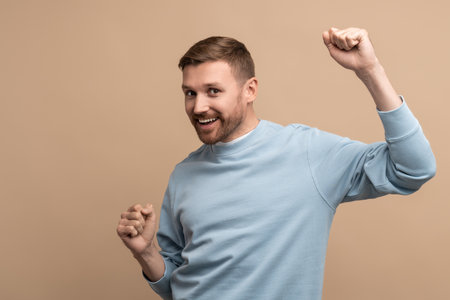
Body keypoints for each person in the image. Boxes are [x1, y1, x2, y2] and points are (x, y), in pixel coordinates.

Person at [116, 27, 436, 300]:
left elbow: (412, 169)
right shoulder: (183, 174)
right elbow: (176, 286)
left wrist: (370, 70)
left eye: (213, 91)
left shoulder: (307, 153)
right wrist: (145, 253)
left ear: (250, 90)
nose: (199, 106)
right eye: (190, 93)